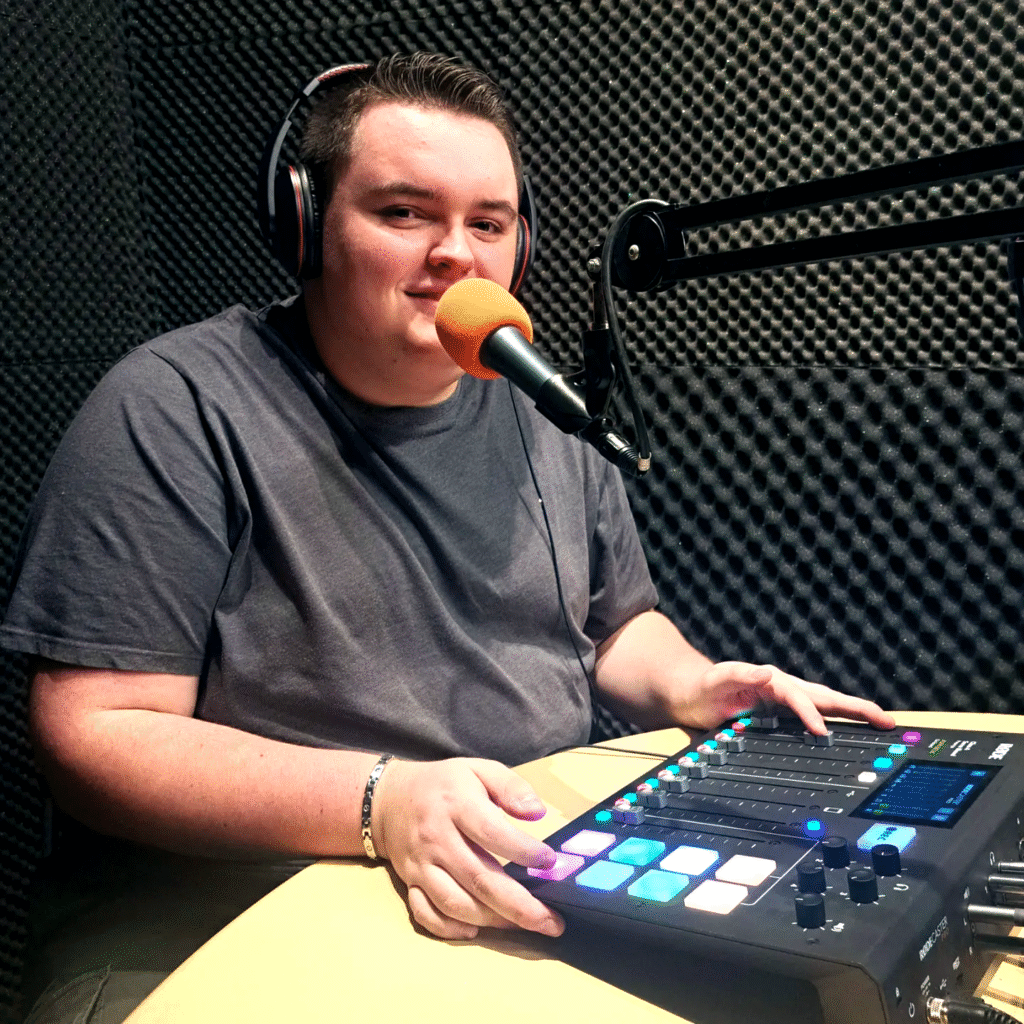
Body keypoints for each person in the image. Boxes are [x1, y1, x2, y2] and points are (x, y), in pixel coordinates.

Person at [1, 52, 894, 1022]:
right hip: (221, 911)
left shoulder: (540, 405)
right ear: (306, 225)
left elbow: (614, 624)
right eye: (404, 213)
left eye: (488, 223)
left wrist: (694, 682)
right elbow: (96, 734)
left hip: (505, 867)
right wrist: (380, 801)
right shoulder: (173, 407)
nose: (456, 255)